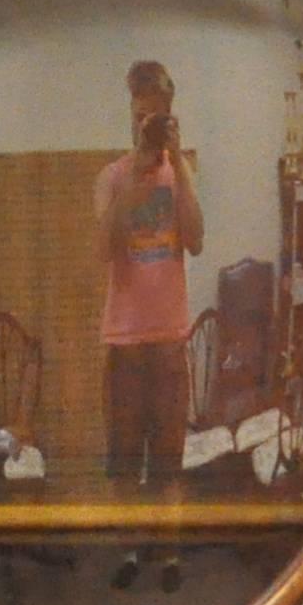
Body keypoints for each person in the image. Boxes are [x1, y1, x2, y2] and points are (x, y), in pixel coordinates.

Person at [95, 60, 205, 489]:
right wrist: (137, 179)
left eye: (155, 118)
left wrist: (176, 163)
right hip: (124, 342)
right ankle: (129, 556)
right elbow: (102, 249)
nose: (146, 125)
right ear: (130, 115)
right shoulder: (110, 178)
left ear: (169, 117)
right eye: (139, 117)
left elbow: (195, 241)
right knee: (123, 462)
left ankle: (168, 556)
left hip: (170, 340)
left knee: (168, 463)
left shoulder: (181, 173)